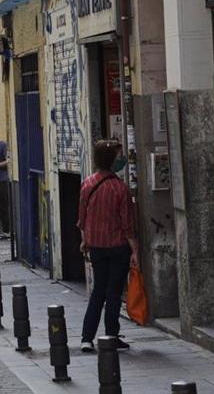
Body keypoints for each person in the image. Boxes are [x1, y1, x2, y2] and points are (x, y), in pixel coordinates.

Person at [77, 139, 138, 353]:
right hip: (118, 246)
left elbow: (82, 219)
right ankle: (111, 335)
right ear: (112, 160)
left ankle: (86, 338)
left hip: (96, 247)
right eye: (119, 156)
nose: (122, 159)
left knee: (98, 292)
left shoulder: (87, 184)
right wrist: (135, 250)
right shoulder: (120, 188)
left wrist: (85, 240)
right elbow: (127, 224)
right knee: (113, 292)